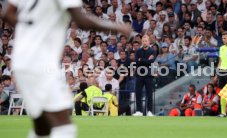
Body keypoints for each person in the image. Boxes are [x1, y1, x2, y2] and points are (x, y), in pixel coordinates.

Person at [3, 0, 131, 138]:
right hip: (39, 61)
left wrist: (32, 31)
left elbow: (6, 13)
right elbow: (81, 20)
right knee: (64, 127)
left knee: (42, 126)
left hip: (21, 60)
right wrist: (117, 28)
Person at [133, 35, 155, 116]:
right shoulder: (138, 51)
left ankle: (149, 111)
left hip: (148, 75)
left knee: (149, 93)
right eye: (143, 41)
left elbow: (151, 61)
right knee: (138, 93)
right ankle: (139, 111)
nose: (144, 42)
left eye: (146, 41)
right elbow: (136, 62)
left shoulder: (152, 51)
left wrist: (141, 59)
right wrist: (145, 60)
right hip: (139, 74)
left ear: (149, 42)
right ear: (142, 42)